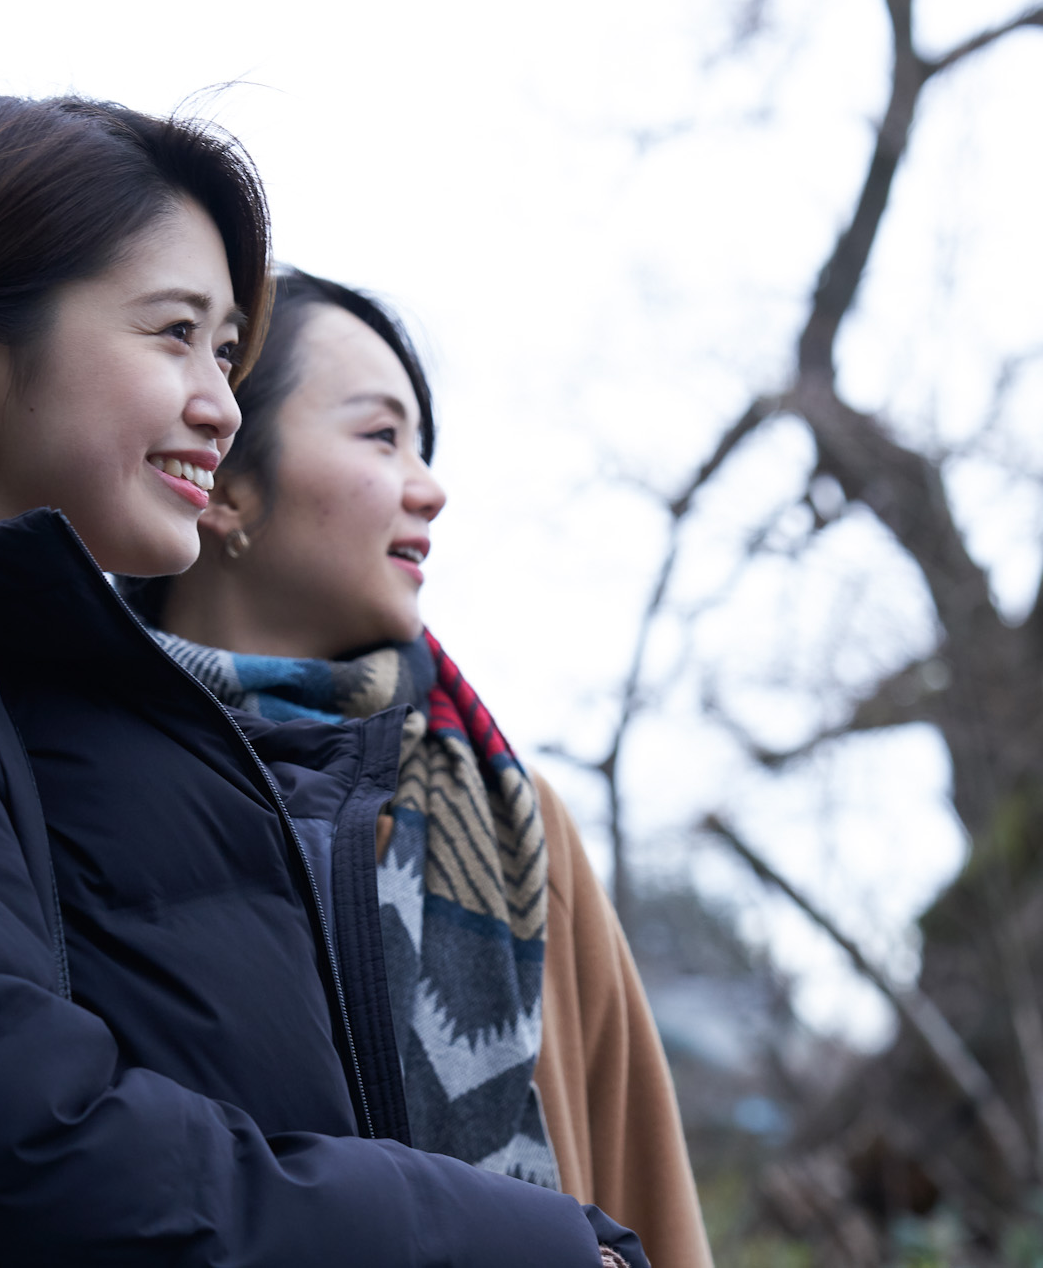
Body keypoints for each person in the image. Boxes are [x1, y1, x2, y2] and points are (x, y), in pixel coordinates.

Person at [0, 94, 644, 1267]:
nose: (220, 405)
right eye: (173, 334)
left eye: (226, 351)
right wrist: (504, 1244)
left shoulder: (130, 721)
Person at [133, 269, 714, 1268]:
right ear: (224, 481)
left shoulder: (513, 822)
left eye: (423, 448)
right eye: (380, 436)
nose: (430, 488)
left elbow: (646, 1197)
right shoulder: (68, 784)